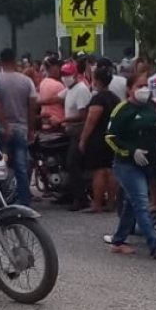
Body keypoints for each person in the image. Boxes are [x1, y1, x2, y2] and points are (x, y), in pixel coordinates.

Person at [104, 73, 156, 258]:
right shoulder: (122, 110)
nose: (143, 89)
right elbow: (110, 138)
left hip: (150, 163)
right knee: (142, 203)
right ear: (129, 89)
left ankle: (118, 240)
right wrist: (130, 151)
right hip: (127, 166)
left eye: (145, 85)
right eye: (138, 86)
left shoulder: (152, 106)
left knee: (131, 203)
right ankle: (154, 246)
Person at [0, 48, 39, 207]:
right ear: (14, 60)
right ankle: (24, 200)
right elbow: (32, 107)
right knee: (21, 166)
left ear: (0, 62)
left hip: (0, 128)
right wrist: (31, 129)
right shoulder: (26, 81)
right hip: (21, 128)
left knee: (0, 166)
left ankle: (0, 200)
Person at [80, 66, 121, 213]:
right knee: (111, 171)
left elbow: (91, 121)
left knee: (99, 171)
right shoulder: (115, 98)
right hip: (113, 137)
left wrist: (83, 139)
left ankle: (96, 204)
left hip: (98, 139)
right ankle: (111, 203)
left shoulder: (98, 99)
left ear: (96, 80)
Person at [61, 56, 94, 210]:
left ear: (74, 75)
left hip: (79, 133)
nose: (65, 77)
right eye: (63, 74)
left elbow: (83, 115)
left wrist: (62, 120)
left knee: (73, 164)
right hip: (71, 132)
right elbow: (55, 97)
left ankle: (81, 199)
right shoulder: (70, 89)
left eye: (67, 74)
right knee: (67, 164)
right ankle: (68, 194)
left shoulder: (80, 89)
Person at [36, 58, 66, 131]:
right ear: (54, 68)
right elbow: (64, 104)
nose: (60, 70)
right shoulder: (58, 85)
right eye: (58, 67)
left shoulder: (42, 83)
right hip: (58, 122)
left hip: (45, 122)